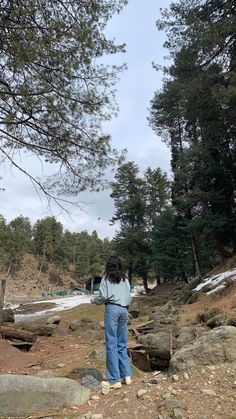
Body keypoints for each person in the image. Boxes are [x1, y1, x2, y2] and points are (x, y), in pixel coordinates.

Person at [91, 256, 132, 389]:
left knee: (111, 344)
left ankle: (114, 379)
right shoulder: (125, 279)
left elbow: (103, 297)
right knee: (122, 343)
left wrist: (94, 301)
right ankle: (127, 375)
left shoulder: (106, 278)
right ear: (119, 266)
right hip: (124, 311)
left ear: (108, 266)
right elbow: (129, 296)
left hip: (112, 310)